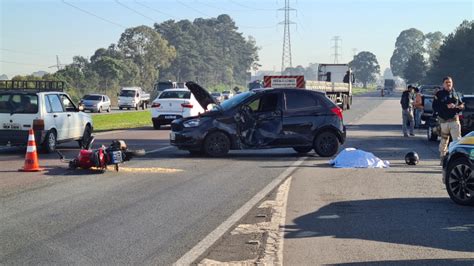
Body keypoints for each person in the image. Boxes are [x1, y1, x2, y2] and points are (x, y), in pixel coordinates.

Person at [432, 76, 464, 163]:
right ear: (443, 84)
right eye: (446, 82)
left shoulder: (456, 94)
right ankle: (443, 159)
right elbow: (435, 107)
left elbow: (462, 106)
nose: (448, 84)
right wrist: (446, 106)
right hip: (443, 122)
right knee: (444, 141)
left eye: (450, 82)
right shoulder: (439, 94)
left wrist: (457, 106)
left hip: (454, 121)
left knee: (457, 141)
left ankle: (457, 159)